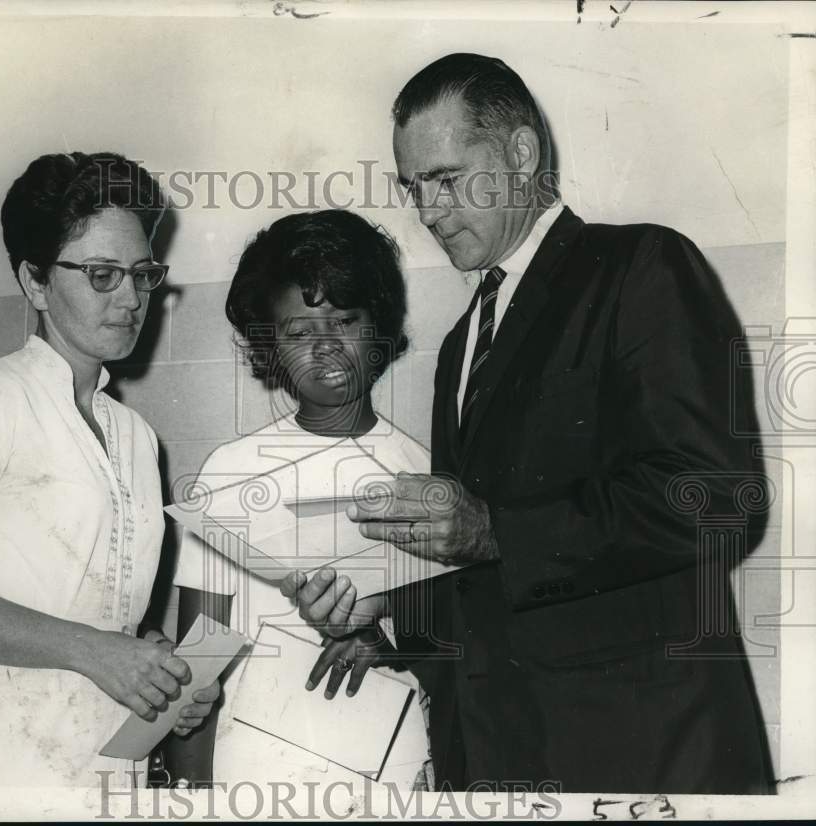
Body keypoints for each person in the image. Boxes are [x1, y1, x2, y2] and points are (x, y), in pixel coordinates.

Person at [283, 54, 774, 793]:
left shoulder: (639, 264)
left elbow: (718, 500)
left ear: (521, 152)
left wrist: (494, 530)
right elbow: (488, 577)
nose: (428, 212)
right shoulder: (461, 344)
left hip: (645, 756)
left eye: (446, 179)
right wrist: (383, 623)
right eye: (414, 188)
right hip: (507, 759)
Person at [0, 151, 219, 787]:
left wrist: (158, 670)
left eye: (141, 274)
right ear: (35, 282)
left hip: (105, 755)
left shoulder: (137, 437)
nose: (130, 298)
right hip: (0, 758)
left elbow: (109, 611)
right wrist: (99, 652)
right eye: (101, 275)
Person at [165, 210, 432, 789]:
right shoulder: (230, 473)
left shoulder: (425, 473)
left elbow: (451, 640)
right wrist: (189, 799)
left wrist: (383, 640)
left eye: (344, 321)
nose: (326, 348)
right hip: (255, 777)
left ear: (378, 326)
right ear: (269, 346)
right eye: (299, 332)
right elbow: (200, 660)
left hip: (392, 771)